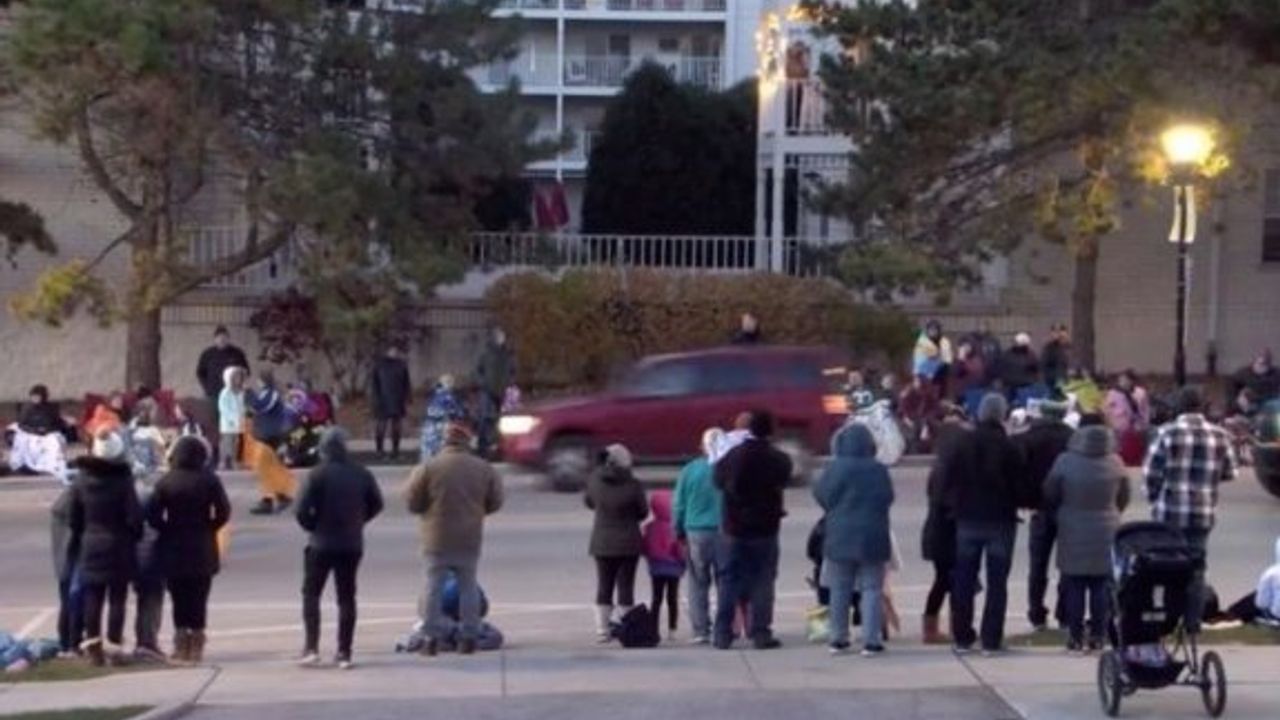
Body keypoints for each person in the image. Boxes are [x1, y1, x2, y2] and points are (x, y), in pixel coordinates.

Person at [1143, 387, 1237, 632]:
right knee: (1196, 568)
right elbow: (1230, 472)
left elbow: (1151, 473)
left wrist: (1154, 498)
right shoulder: (1220, 435)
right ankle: (1192, 622)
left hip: (1169, 511)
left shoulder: (1165, 433)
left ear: (1178, 406)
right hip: (1202, 512)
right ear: (1202, 406)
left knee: (1168, 566)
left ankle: (1169, 618)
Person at [405, 423, 503, 656]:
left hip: (436, 537)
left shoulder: (428, 467)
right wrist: (477, 511)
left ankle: (430, 638)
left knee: (433, 587)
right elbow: (496, 501)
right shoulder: (483, 468)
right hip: (468, 536)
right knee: (468, 586)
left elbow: (412, 501)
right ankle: (469, 637)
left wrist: (427, 510)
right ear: (467, 442)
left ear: (445, 441)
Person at [941, 393, 1025, 655]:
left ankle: (962, 636)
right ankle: (991, 639)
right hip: (1000, 519)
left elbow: (947, 479)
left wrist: (952, 505)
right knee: (997, 583)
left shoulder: (962, 443)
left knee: (964, 580)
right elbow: (1019, 484)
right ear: (1002, 414)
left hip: (967, 517)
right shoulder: (1009, 446)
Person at [295, 428, 383, 669]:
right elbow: (377, 503)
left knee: (311, 593)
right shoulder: (361, 473)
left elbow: (300, 510)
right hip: (351, 543)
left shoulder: (316, 474)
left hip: (321, 542)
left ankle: (311, 647)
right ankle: (344, 651)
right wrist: (359, 520)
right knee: (346, 597)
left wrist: (312, 525)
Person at [1044, 423, 1130, 652]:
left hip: (1072, 524)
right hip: (1106, 527)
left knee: (1074, 583)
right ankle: (1098, 635)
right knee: (1101, 585)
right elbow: (1124, 496)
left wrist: (1059, 512)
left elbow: (1050, 492)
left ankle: (1075, 635)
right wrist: (1112, 512)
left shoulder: (1065, 461)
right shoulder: (1116, 462)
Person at [148, 436, 231, 665]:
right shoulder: (210, 480)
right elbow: (223, 511)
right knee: (199, 596)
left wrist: (166, 528)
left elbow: (152, 514)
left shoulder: (166, 482)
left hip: (174, 543)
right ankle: (197, 640)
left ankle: (181, 641)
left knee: (179, 596)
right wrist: (210, 526)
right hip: (202, 543)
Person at [713, 411, 792, 650]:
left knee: (728, 580)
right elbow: (784, 480)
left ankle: (722, 633)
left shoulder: (733, 456)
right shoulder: (779, 459)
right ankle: (760, 632)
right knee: (763, 579)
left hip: (734, 527)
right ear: (771, 431)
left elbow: (717, 481)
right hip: (765, 527)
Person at [814, 423, 894, 657]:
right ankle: (871, 640)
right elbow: (887, 497)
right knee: (872, 588)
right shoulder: (878, 469)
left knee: (840, 587)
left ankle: (838, 638)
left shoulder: (834, 468)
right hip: (873, 535)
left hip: (839, 534)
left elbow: (821, 494)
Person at [68, 431, 142, 666]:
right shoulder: (123, 480)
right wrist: (134, 536)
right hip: (119, 544)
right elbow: (135, 516)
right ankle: (115, 646)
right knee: (118, 597)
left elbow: (73, 517)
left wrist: (83, 535)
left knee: (93, 597)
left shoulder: (81, 480)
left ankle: (94, 649)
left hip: (91, 542)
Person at [1015, 399, 1075, 632]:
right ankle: (1064, 612)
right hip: (1067, 505)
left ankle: (1036, 613)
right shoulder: (1072, 438)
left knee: (1038, 564)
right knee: (1067, 563)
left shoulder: (1028, 438)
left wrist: (1023, 499)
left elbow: (1019, 470)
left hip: (1039, 506)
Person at [584, 444, 648, 643]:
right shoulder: (634, 484)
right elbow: (643, 512)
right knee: (626, 586)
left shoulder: (595, 480)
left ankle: (602, 629)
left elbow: (589, 502)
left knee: (604, 584)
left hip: (602, 541)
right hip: (629, 542)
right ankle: (626, 626)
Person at [920, 407, 969, 645]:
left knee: (946, 580)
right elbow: (946, 501)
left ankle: (941, 625)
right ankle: (941, 627)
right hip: (946, 532)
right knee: (948, 580)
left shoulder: (940, 466)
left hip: (938, 531)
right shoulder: (949, 469)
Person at [673, 428, 724, 645]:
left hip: (696, 531)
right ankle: (724, 626)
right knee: (725, 581)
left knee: (697, 582)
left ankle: (701, 629)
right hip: (724, 531)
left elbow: (679, 504)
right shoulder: (728, 468)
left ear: (702, 447)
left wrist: (678, 530)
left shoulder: (690, 470)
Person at [246, 371, 296, 515]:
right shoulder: (264, 393)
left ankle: (270, 500)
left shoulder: (272, 393)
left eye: (258, 380)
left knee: (265, 467)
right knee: (267, 468)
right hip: (265, 434)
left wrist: (249, 394)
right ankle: (279, 497)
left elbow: (261, 407)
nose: (257, 383)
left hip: (270, 435)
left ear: (263, 380)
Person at [642, 490, 685, 640]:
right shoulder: (676, 527)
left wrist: (649, 559)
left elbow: (645, 547)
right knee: (672, 599)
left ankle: (653, 628)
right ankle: (672, 629)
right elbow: (680, 549)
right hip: (674, 569)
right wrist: (683, 563)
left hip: (656, 568)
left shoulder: (649, 527)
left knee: (656, 599)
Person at [50, 486, 83, 657]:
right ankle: (72, 642)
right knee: (75, 600)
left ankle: (68, 642)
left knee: (69, 601)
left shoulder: (61, 506)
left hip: (66, 562)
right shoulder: (71, 502)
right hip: (72, 559)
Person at [474, 328, 515, 458]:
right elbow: (477, 371)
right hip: (487, 390)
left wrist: (510, 382)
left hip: (503, 391)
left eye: (502, 336)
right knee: (485, 419)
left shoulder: (508, 355)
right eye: (498, 336)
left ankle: (500, 446)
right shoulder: (485, 354)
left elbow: (513, 370)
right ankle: (482, 447)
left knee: (503, 420)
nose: (500, 339)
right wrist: (483, 383)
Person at [1222, 536, 1280, 625]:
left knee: (1259, 595)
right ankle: (1232, 614)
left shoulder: (1272, 573)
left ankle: (1231, 614)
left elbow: (1261, 603)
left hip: (1274, 617)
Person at [370, 346, 412, 460]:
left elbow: (406, 382)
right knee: (381, 425)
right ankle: (379, 451)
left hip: (398, 399)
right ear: (387, 351)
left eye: (396, 350)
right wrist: (376, 399)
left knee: (396, 426)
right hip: (382, 400)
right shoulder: (379, 365)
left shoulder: (402, 365)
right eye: (392, 350)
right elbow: (374, 384)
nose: (394, 352)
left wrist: (407, 397)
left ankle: (395, 451)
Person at [1104, 370, 1151, 467]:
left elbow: (1145, 409)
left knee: (1138, 446)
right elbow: (1107, 409)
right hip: (1119, 424)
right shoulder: (1113, 393)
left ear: (1132, 381)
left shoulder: (1140, 392)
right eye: (1121, 380)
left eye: (1126, 380)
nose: (1123, 382)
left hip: (1137, 425)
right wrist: (1110, 422)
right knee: (1119, 447)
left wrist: (1145, 422)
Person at [421, 375, 467, 462]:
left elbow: (430, 411)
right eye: (449, 382)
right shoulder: (449, 397)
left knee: (430, 450)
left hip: (431, 426)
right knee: (442, 448)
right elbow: (458, 413)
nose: (451, 385)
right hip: (443, 425)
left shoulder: (435, 396)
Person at [196, 326, 251, 401]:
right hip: (213, 394)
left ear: (228, 338)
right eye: (219, 338)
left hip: (233, 393)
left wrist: (239, 386)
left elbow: (246, 371)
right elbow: (200, 373)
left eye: (224, 338)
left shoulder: (237, 353)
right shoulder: (207, 354)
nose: (222, 340)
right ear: (215, 339)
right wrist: (207, 387)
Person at [899, 374, 941, 453]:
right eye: (918, 382)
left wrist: (928, 419)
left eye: (922, 383)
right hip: (910, 419)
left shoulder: (928, 394)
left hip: (925, 419)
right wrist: (910, 420)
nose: (920, 385)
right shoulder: (907, 395)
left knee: (936, 426)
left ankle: (932, 447)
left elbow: (935, 408)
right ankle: (913, 449)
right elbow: (903, 411)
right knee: (913, 430)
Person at [218, 367, 247, 471]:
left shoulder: (242, 392)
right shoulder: (225, 392)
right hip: (228, 423)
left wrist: (244, 414)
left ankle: (237, 461)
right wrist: (232, 418)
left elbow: (243, 405)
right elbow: (223, 407)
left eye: (240, 377)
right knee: (228, 442)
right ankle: (224, 462)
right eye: (236, 377)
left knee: (238, 443)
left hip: (240, 421)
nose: (238, 379)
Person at [912, 320, 954, 392]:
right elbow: (918, 360)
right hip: (924, 373)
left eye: (935, 330)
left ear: (939, 331)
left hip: (939, 373)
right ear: (927, 331)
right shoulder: (922, 341)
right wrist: (916, 377)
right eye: (931, 330)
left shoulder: (944, 342)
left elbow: (947, 358)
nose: (933, 332)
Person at [1000, 332, 1041, 401]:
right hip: (1016, 386)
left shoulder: (1008, 354)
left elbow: (1035, 369)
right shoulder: (1029, 355)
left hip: (1017, 386)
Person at [1041, 324, 1072, 392]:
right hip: (1053, 380)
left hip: (1065, 378)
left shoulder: (1068, 347)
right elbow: (1044, 364)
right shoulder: (1049, 348)